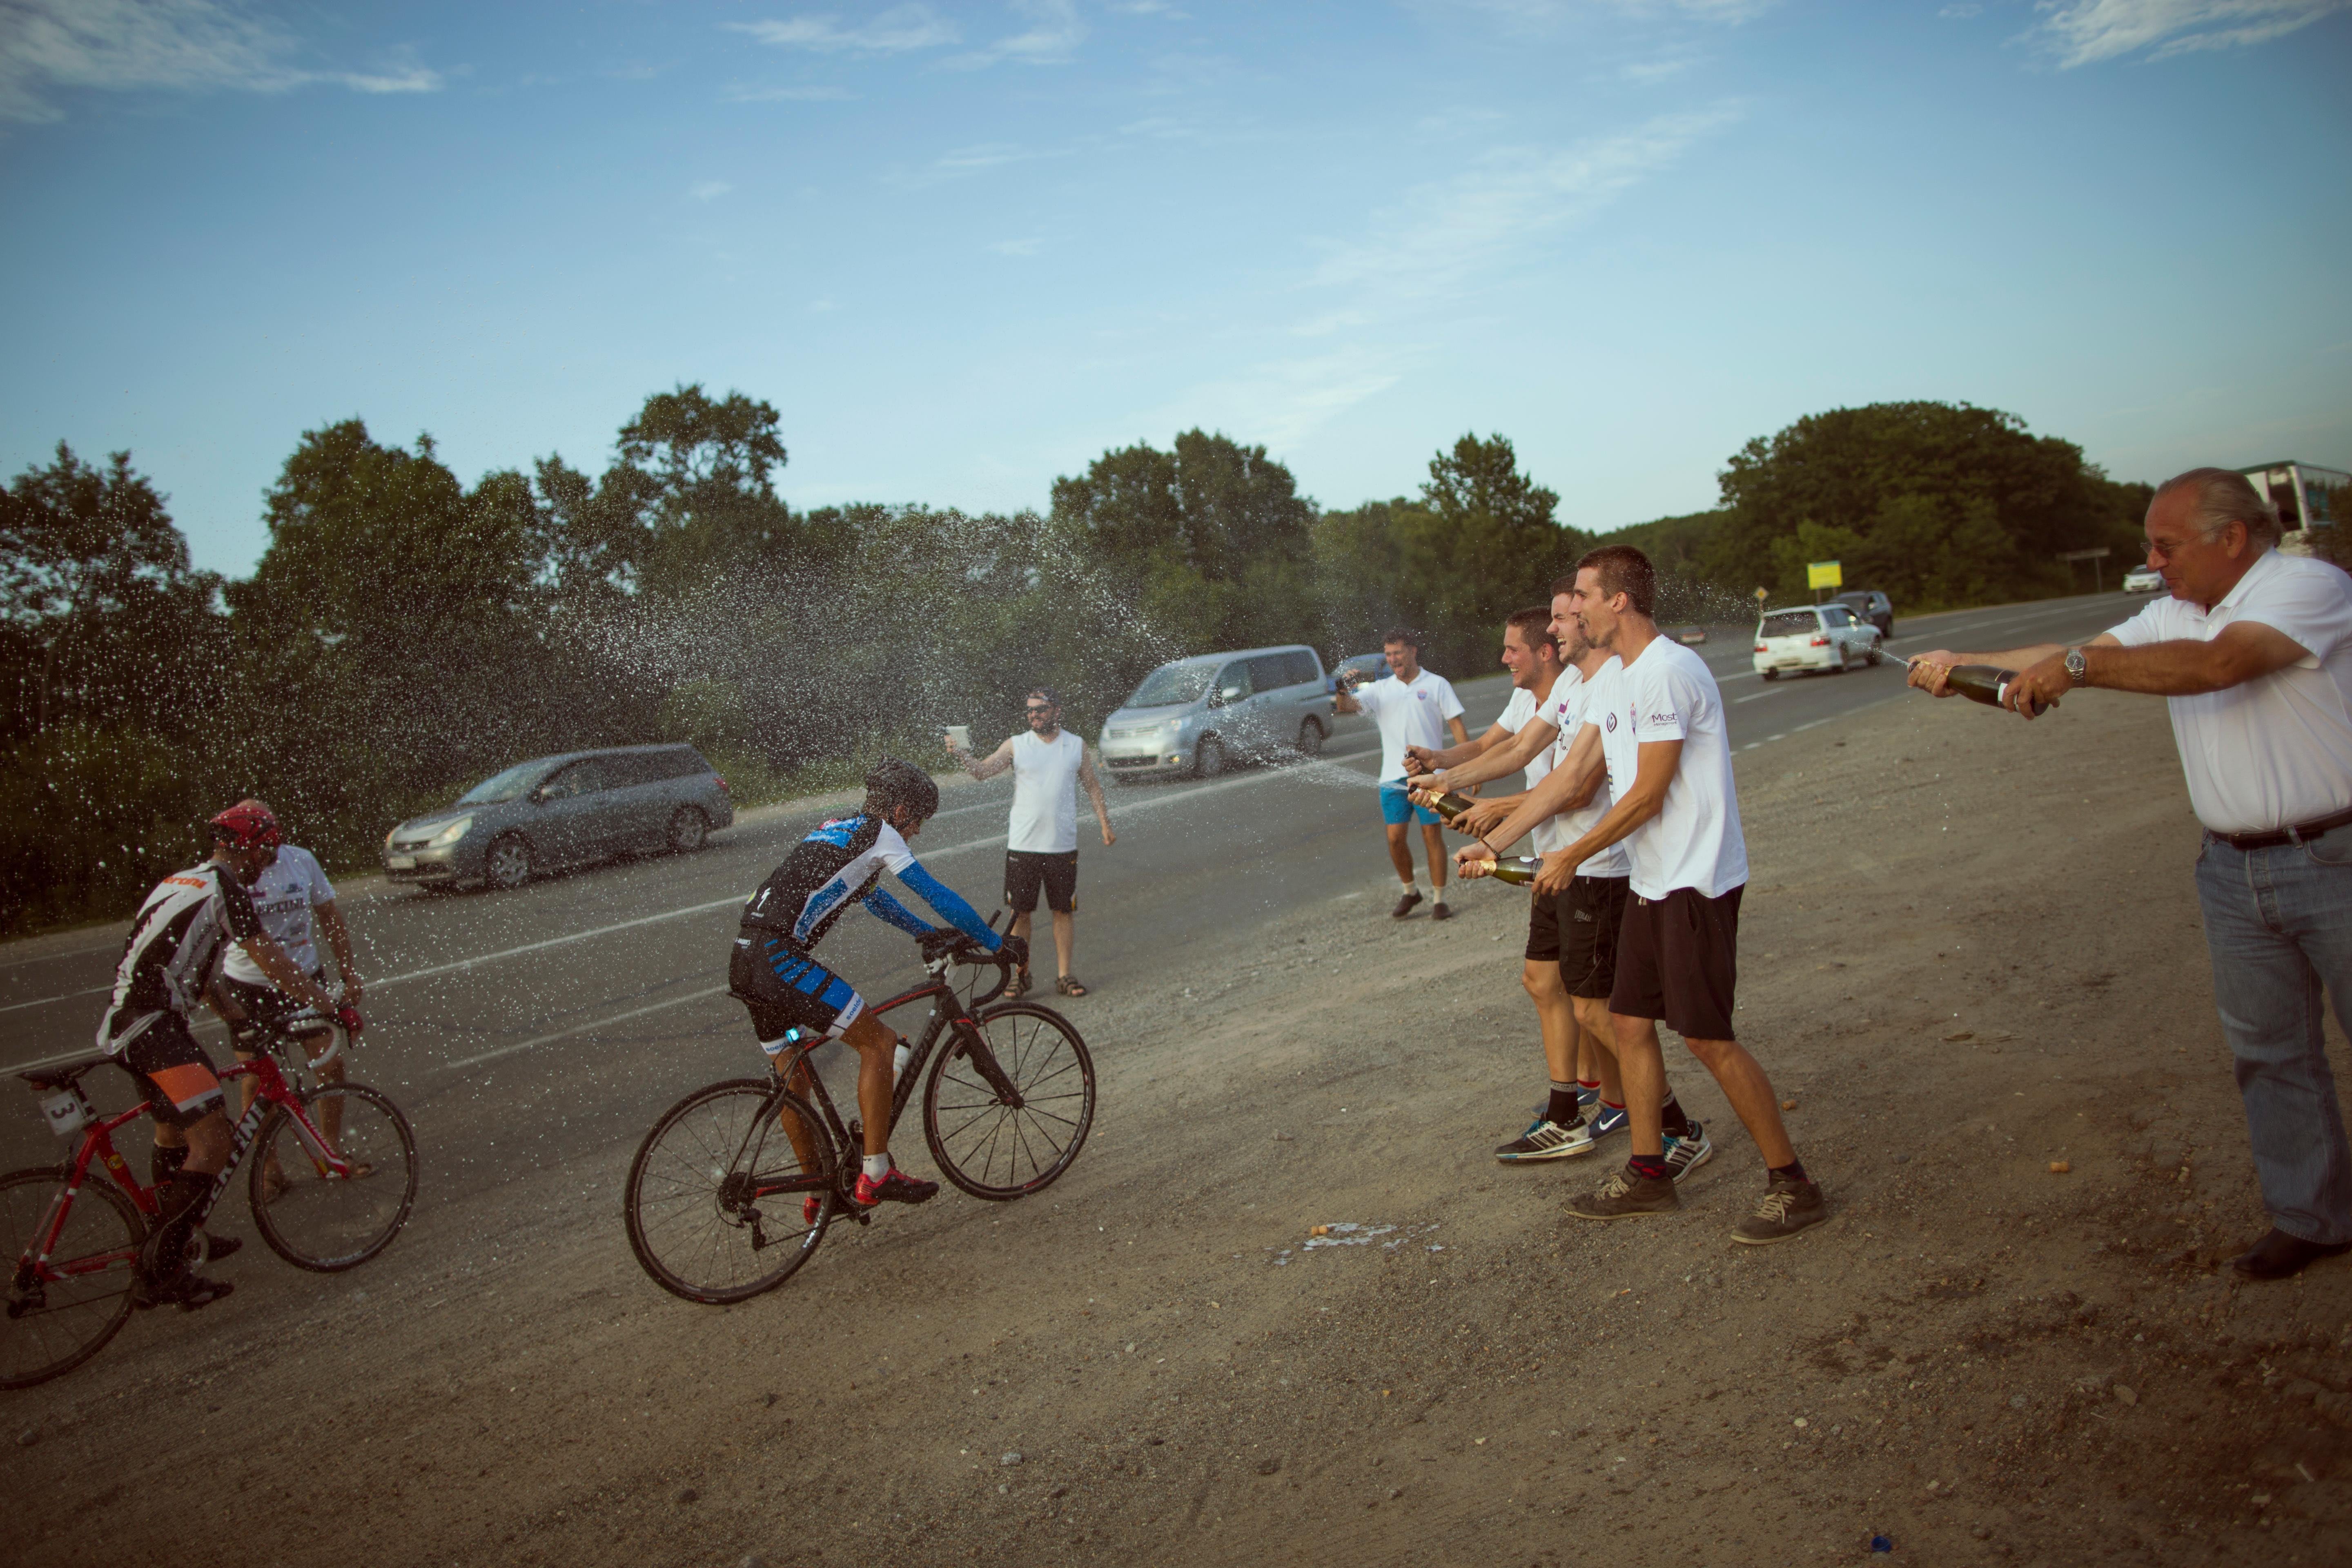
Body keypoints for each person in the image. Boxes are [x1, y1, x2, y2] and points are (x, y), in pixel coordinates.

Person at [1909, 467, 2352, 1281]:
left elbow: (2220, 666)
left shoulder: (2304, 586)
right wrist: (1961, 659)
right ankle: (2315, 1215)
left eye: (2167, 545)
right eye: (2150, 545)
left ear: (2233, 538)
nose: (2154, 561)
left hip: (2332, 856)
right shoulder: (2176, 610)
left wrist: (2076, 671)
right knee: (2271, 1053)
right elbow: (2074, 652)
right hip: (2232, 869)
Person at [1459, 545, 1824, 1244]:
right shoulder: (1619, 680)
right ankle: (1650, 1175)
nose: (1575, 612)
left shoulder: (1666, 672)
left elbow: (1651, 792)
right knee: (1628, 1025)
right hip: (1652, 880)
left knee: (1708, 1039)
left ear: (1618, 601)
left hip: (1696, 878)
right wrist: (1499, 839)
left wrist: (1575, 852)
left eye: (1586, 598)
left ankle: (1793, 1183)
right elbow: (1570, 781)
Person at [1416, 597, 1711, 1175]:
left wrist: (1496, 819)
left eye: (1561, 616)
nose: (1553, 627)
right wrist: (1447, 779)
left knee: (1601, 1013)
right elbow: (1522, 751)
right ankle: (1567, 1113)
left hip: (1596, 869)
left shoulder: (1622, 682)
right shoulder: (1574, 684)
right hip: (1557, 859)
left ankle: (1673, 1125)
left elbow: (1577, 786)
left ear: (1587, 620)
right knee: (1545, 982)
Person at [731, 759, 1023, 1212]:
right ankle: (876, 1173)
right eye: (919, 822)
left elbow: (872, 898)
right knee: (881, 1045)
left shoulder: (840, 828)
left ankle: (819, 1193)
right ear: (902, 811)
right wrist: (996, 944)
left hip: (746, 958)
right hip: (778, 960)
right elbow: (935, 892)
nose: (918, 832)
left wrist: (923, 932)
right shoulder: (883, 835)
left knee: (795, 1080)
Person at [97, 803, 343, 1307]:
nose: (270, 860)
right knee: (212, 1142)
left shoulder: (184, 879)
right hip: (150, 1026)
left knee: (174, 1133)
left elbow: (199, 966)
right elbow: (270, 959)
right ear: (247, 845)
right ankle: (162, 1272)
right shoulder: (228, 887)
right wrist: (329, 1004)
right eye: (268, 849)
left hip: (132, 1021)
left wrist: (236, 1018)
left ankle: (180, 1239)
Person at [205, 801, 367, 1202]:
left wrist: (347, 972)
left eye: (272, 842)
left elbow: (329, 916)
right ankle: (269, 1168)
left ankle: (330, 1151)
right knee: (257, 1080)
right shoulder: (232, 873)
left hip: (305, 977)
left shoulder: (301, 862)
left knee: (330, 1064)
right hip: (250, 984)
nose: (268, 852)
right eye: (262, 844)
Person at [948, 687, 1114, 998]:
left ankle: (1065, 975)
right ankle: (1021, 975)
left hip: (1061, 845)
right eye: (1030, 711)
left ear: (1056, 711)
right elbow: (983, 772)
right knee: (1020, 914)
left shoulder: (1076, 746)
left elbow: (1092, 786)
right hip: (1023, 845)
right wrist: (962, 754)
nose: (1034, 715)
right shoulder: (1017, 745)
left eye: (1040, 709)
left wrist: (1105, 824)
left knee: (1063, 911)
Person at [1334, 627, 1469, 920]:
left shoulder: (1436, 684)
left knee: (1431, 834)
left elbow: (1457, 726)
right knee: (1395, 837)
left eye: (1398, 652)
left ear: (1413, 651)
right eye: (1388, 654)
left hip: (1430, 775)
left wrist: (1469, 770)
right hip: (1392, 777)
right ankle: (1411, 891)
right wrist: (1342, 687)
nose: (1393, 659)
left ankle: (1439, 900)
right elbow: (1345, 707)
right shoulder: (1380, 690)